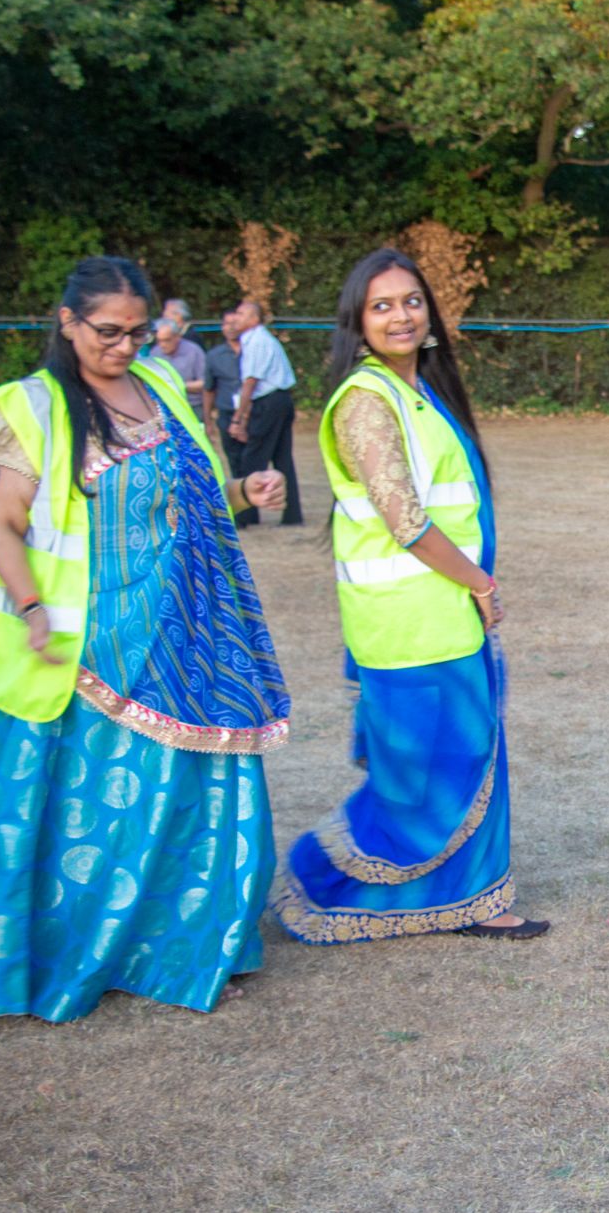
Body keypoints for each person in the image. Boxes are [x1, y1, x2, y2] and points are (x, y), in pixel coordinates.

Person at [0, 256, 291, 1021]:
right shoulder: (25, 406)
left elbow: (191, 494)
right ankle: (81, 947)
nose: (126, 345)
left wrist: (244, 490)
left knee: (185, 796)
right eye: (108, 331)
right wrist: (31, 605)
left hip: (186, 629)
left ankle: (177, 943)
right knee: (98, 809)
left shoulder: (162, 386)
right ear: (66, 320)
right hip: (92, 643)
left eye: (140, 331)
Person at [272, 248, 546, 943]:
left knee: (462, 756)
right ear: (357, 321)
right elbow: (406, 521)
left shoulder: (421, 391)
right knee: (423, 776)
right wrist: (480, 582)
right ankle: (319, 875)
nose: (401, 314)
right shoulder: (366, 401)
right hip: (407, 619)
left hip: (442, 611)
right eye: (382, 304)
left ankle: (472, 896)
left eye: (411, 300)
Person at [227, 299, 303, 526]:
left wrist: (239, 417)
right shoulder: (257, 339)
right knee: (282, 457)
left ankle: (245, 516)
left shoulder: (257, 341)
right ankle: (292, 516)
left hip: (269, 402)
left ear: (254, 319)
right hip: (280, 400)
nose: (235, 318)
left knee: (252, 456)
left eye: (241, 314)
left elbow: (251, 381)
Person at [203, 305, 248, 491]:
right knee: (233, 458)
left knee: (251, 458)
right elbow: (209, 389)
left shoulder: (253, 350)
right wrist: (207, 419)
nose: (230, 327)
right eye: (226, 323)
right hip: (226, 413)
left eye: (234, 323)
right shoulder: (214, 356)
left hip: (252, 412)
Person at [143, 316, 206, 395]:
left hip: (192, 403)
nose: (162, 345)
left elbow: (205, 383)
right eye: (159, 341)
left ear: (177, 337)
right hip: (164, 402)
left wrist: (176, 385)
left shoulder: (194, 351)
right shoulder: (154, 353)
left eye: (167, 340)